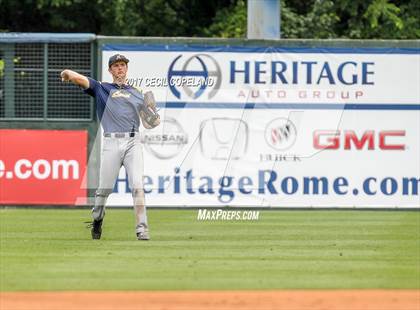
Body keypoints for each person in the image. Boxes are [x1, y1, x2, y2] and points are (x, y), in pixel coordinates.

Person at [60, 54, 160, 240]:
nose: (120, 68)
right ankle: (97, 219)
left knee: (138, 186)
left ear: (126, 69)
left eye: (123, 65)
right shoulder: (102, 88)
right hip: (111, 142)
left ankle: (142, 230)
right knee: (104, 189)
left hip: (133, 142)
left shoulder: (137, 92)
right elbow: (81, 80)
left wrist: (153, 115)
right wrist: (67, 73)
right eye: (116, 65)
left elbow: (149, 124)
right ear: (110, 70)